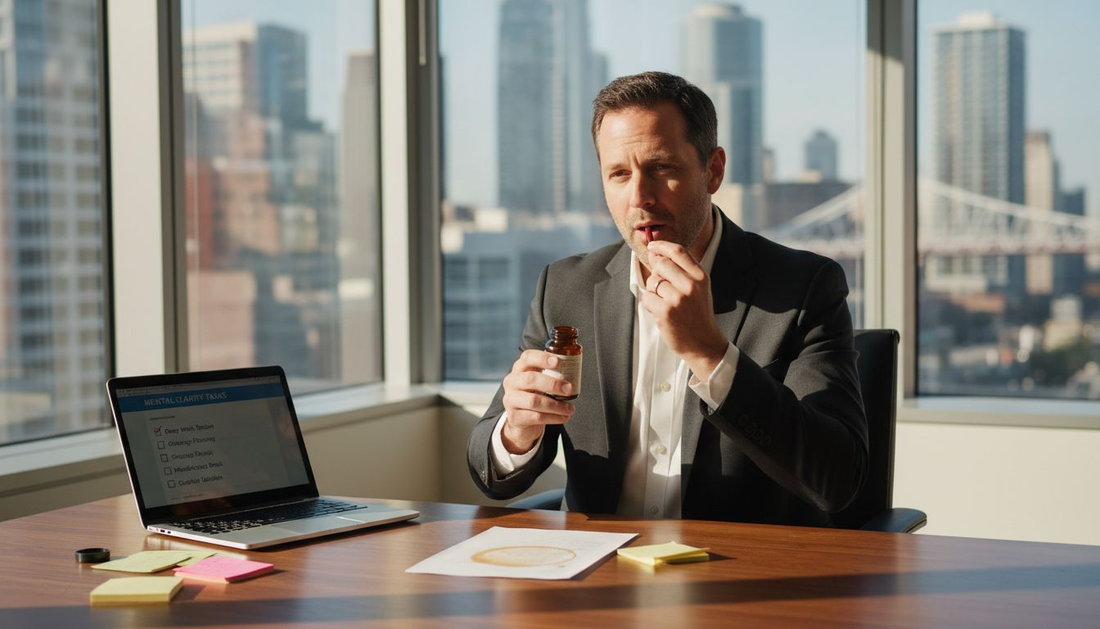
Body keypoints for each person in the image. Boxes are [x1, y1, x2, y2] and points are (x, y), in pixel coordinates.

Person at [467, 71, 867, 526]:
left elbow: (838, 479)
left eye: (661, 168)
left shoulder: (804, 288)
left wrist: (710, 354)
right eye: (619, 174)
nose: (639, 196)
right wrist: (518, 432)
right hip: (597, 574)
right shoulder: (563, 287)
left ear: (713, 171)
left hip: (740, 575)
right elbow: (490, 472)